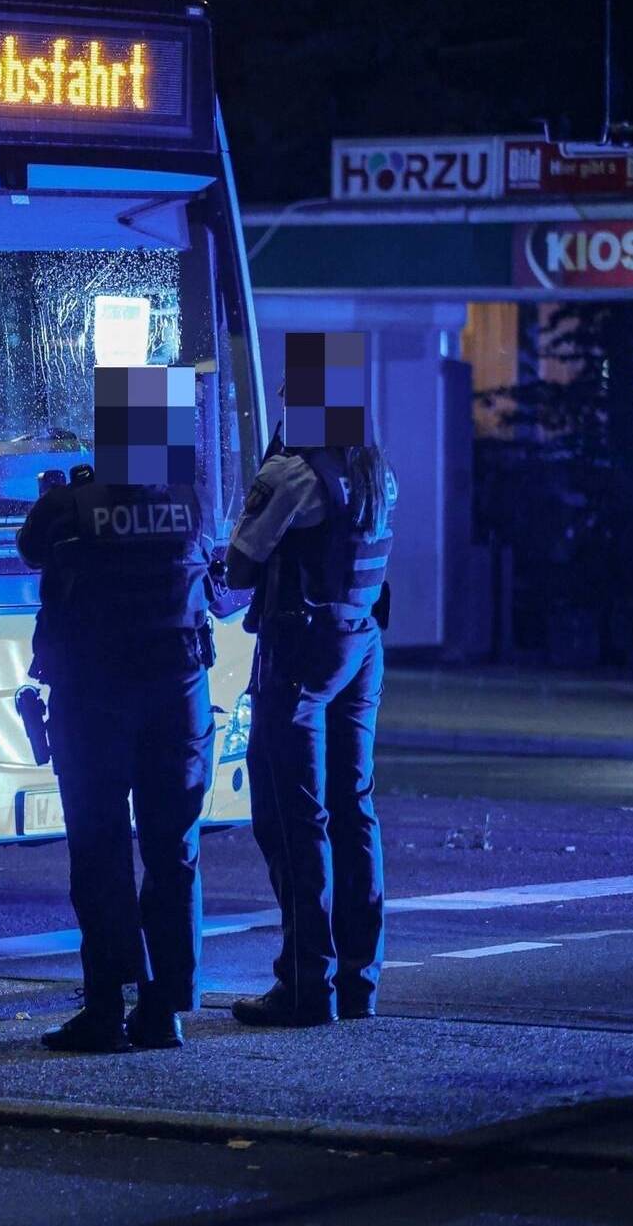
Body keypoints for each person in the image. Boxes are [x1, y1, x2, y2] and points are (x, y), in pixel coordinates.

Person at [16, 461, 218, 1052]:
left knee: (100, 852)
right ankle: (163, 1012)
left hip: (95, 698)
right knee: (173, 850)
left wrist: (61, 493)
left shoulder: (71, 504)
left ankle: (105, 1009)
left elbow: (30, 550)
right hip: (178, 697)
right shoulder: (191, 498)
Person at [224, 430, 396, 1027]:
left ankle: (304, 985)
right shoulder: (371, 465)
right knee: (354, 809)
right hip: (362, 642)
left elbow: (239, 565)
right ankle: (358, 984)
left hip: (302, 647)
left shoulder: (294, 474)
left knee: (292, 815)